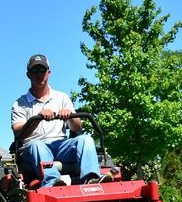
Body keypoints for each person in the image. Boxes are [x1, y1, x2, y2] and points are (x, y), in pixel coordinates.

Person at [11, 54, 110, 187]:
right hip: (33, 150)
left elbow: (77, 128)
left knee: (86, 139)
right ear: (28, 74)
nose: (38, 74)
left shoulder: (62, 97)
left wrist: (70, 116)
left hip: (61, 146)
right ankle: (53, 182)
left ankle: (91, 178)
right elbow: (18, 132)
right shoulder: (20, 103)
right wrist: (37, 119)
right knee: (36, 145)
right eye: (34, 71)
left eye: (42, 70)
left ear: (49, 73)